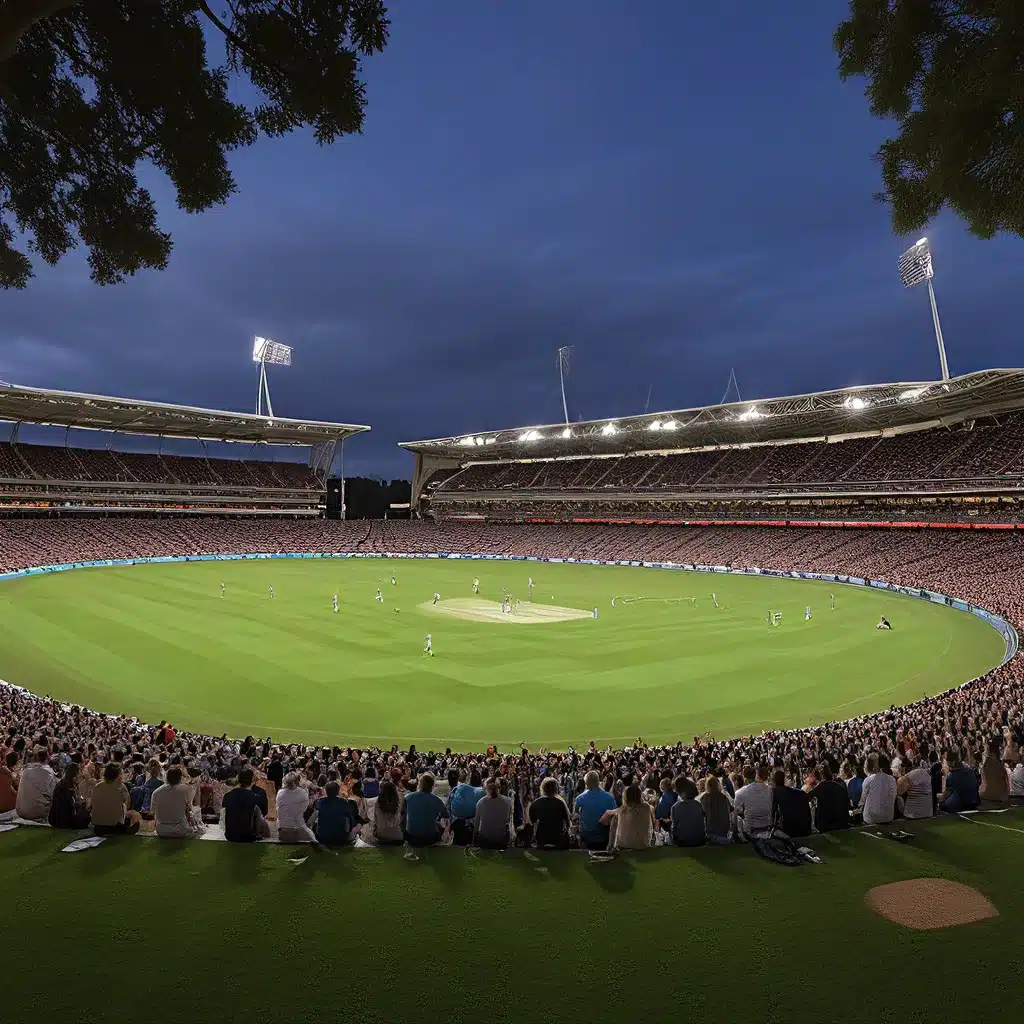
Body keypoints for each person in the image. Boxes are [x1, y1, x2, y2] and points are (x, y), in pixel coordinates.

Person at [151, 767, 203, 838]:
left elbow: (152, 812)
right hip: (181, 830)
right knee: (196, 810)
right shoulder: (186, 789)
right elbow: (190, 809)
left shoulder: (156, 792)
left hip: (161, 830)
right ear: (180, 778)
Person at [222, 768, 271, 842]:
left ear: (238, 779)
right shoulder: (255, 797)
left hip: (230, 835)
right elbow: (264, 814)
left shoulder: (227, 795)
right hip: (248, 836)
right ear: (252, 780)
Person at [91, 763, 141, 835]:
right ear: (117, 775)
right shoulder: (121, 787)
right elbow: (128, 802)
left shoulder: (97, 786)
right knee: (132, 814)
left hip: (98, 827)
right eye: (121, 774)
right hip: (115, 825)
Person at [601, 783, 654, 851]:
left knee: (614, 819)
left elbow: (607, 814)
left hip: (624, 846)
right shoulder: (647, 807)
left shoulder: (623, 810)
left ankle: (610, 847)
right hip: (644, 845)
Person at [402, 772, 450, 846]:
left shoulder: (408, 797)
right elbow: (446, 816)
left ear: (419, 785)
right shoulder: (437, 800)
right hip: (430, 837)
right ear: (432, 786)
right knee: (442, 824)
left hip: (411, 835)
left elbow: (402, 815)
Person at [574, 770, 617, 850]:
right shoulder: (609, 798)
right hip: (604, 837)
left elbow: (575, 816)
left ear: (586, 784)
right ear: (598, 782)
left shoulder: (580, 798)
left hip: (586, 837)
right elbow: (615, 817)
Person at [526, 777, 571, 848]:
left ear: (543, 788)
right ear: (556, 789)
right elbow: (568, 822)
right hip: (557, 836)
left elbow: (531, 821)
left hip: (542, 836)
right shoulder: (560, 803)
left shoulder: (536, 803)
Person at [806, 762, 852, 831]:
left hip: (826, 825)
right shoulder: (841, 787)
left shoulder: (820, 787)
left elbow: (805, 798)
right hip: (842, 823)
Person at [733, 763, 774, 839]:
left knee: (736, 817)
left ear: (745, 778)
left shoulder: (740, 792)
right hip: (768, 828)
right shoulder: (770, 790)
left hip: (750, 831)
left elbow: (736, 812)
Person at [15, 748, 55, 822]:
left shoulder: (25, 770)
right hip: (38, 812)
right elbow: (53, 794)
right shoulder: (48, 772)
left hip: (20, 810)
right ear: (48, 758)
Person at [314, 781, 360, 846]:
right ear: (338, 791)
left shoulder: (320, 802)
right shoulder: (344, 802)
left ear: (326, 791)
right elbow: (351, 821)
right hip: (340, 838)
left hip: (323, 838)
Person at [473, 777, 513, 850]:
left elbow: (476, 826)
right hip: (501, 840)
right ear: (499, 788)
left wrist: (474, 842)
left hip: (485, 841)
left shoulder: (480, 802)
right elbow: (508, 820)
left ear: (485, 788)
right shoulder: (508, 802)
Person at [48, 762, 90, 830]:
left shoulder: (62, 783)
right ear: (74, 775)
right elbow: (71, 806)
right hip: (64, 820)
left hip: (55, 819)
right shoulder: (67, 787)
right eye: (79, 774)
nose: (80, 776)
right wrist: (82, 802)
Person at [771, 769, 812, 837]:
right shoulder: (801, 793)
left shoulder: (773, 793)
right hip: (803, 828)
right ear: (784, 779)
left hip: (788, 830)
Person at [276, 772, 315, 843]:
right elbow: (305, 809)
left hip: (282, 828)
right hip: (297, 828)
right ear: (298, 781)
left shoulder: (280, 792)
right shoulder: (303, 793)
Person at [859, 754, 897, 825]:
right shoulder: (892, 779)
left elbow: (862, 801)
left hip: (871, 819)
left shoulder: (868, 780)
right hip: (888, 817)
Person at [669, 776, 706, 847]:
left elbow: (674, 828)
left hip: (682, 842)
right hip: (699, 840)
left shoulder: (675, 807)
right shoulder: (699, 805)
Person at [698, 774, 733, 843]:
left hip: (711, 830)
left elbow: (701, 813)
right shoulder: (724, 797)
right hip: (724, 830)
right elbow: (731, 809)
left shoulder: (704, 797)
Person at [369, 780, 405, 845]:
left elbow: (375, 820)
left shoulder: (377, 803)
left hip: (381, 836)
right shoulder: (399, 802)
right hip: (398, 837)